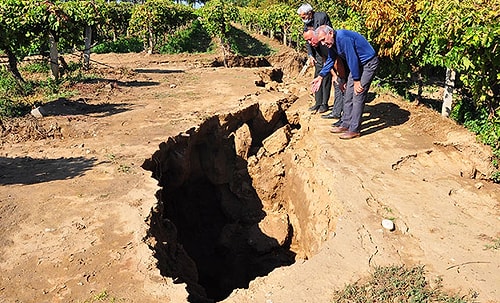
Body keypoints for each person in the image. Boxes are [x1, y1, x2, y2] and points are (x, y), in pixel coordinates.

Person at [311, 25, 379, 139]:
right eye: (320, 41)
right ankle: (346, 124)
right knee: (348, 94)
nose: (322, 43)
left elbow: (352, 58)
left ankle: (355, 129)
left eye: (323, 39)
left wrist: (357, 80)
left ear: (331, 33)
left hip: (368, 63)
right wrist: (321, 76)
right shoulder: (332, 43)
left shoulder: (343, 38)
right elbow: (330, 60)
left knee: (358, 94)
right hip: (358, 65)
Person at [303, 28, 346, 123]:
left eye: (310, 39)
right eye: (307, 41)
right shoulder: (317, 45)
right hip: (333, 65)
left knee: (341, 86)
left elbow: (337, 60)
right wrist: (333, 74)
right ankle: (336, 112)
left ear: (316, 35)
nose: (310, 42)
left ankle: (345, 117)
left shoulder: (325, 43)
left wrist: (340, 77)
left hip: (342, 65)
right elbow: (325, 60)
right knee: (337, 85)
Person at [297, 3, 331, 113]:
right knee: (317, 76)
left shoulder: (322, 17)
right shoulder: (307, 24)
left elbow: (328, 33)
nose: (302, 19)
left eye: (303, 17)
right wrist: (310, 55)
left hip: (326, 50)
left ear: (309, 13)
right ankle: (318, 102)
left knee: (325, 77)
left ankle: (324, 104)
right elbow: (307, 40)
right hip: (317, 53)